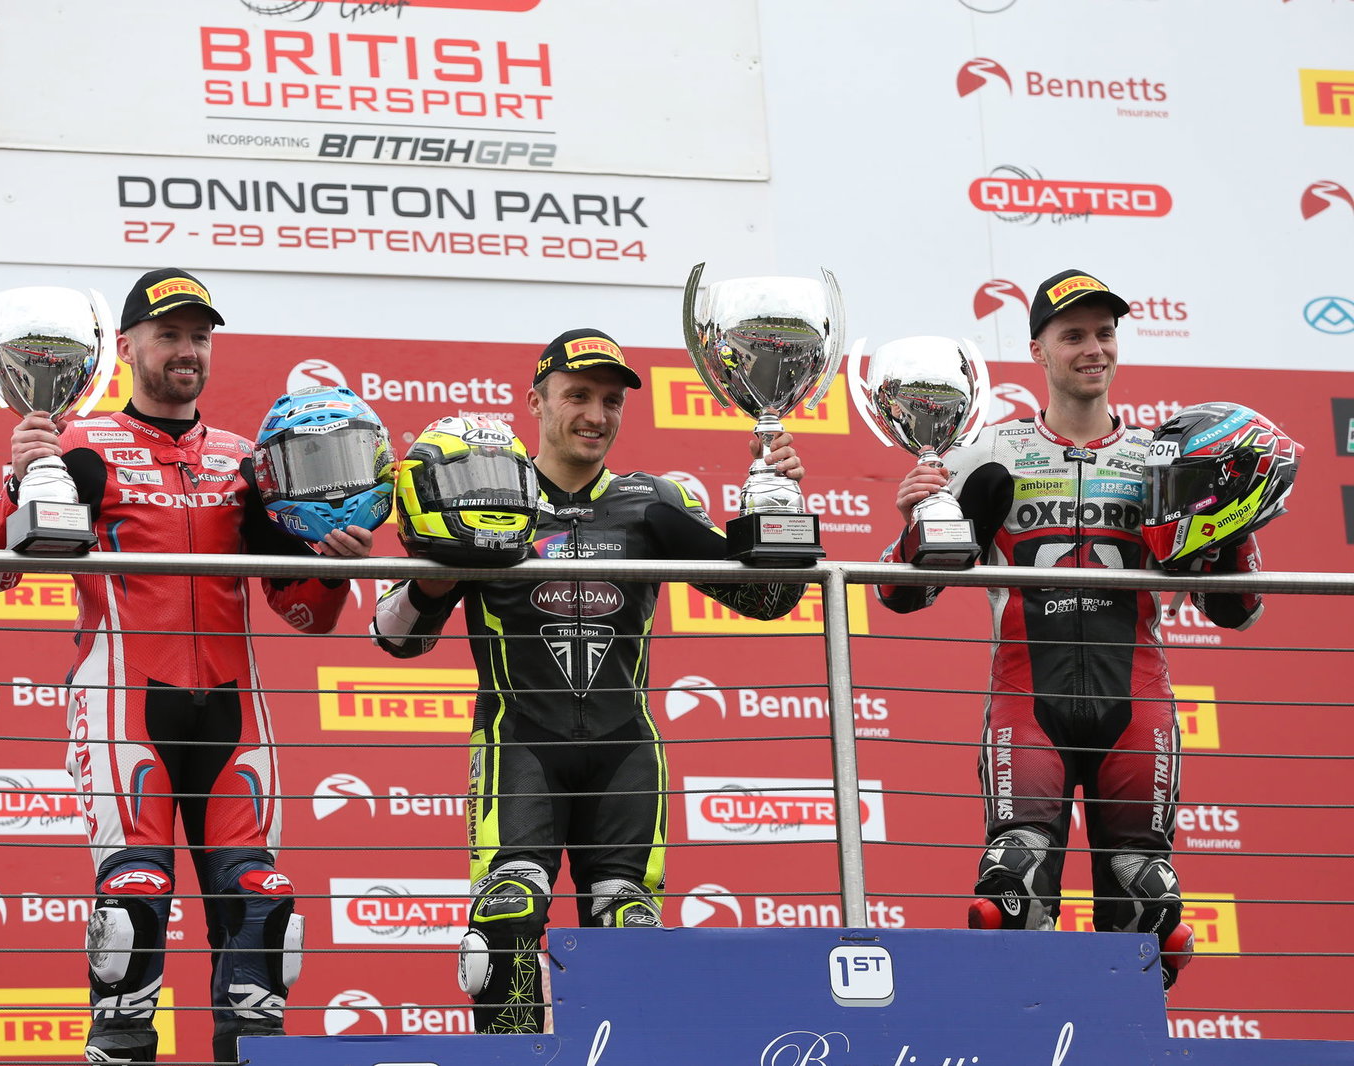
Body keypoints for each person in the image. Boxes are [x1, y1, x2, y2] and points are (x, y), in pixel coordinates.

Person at [0, 269, 374, 1063]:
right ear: (127, 347)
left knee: (258, 905)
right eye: (170, 335)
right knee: (133, 902)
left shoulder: (250, 462)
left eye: (200, 337)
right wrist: (20, 481)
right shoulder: (83, 447)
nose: (187, 351)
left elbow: (307, 615)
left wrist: (340, 561)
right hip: (123, 706)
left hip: (236, 715)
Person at [370, 328, 809, 1033]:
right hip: (520, 746)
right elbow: (395, 636)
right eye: (578, 396)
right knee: (508, 912)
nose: (596, 415)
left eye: (611, 401)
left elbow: (770, 600)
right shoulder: (484, 491)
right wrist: (440, 572)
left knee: (630, 929)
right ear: (536, 401)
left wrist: (778, 503)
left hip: (625, 752)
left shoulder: (651, 502)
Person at [875, 269, 1267, 990]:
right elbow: (902, 594)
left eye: (1105, 333)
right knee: (1011, 891)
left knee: (1146, 901)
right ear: (1039, 351)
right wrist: (912, 526)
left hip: (1137, 704)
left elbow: (1237, 609)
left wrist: (1236, 526)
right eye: (1075, 335)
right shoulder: (984, 451)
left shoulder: (1167, 458)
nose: (1094, 348)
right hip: (1027, 702)